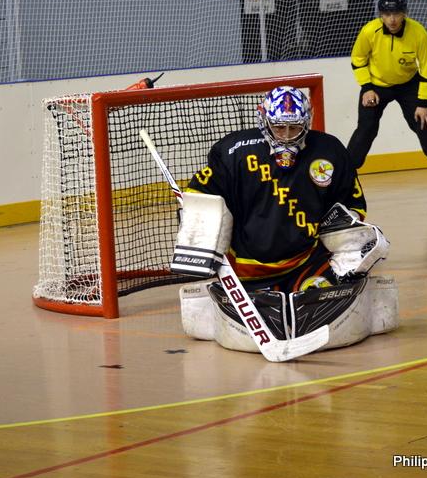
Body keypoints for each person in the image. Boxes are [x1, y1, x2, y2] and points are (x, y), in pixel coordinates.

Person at [170, 86, 398, 353]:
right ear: (263, 120)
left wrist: (347, 243)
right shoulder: (233, 152)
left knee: (370, 242)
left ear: (307, 121)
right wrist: (198, 227)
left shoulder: (330, 151)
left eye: (294, 128)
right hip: (246, 268)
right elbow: (199, 197)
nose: (287, 137)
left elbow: (352, 206)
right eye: (279, 128)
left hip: (306, 263)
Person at [349, 0, 427, 195]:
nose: (392, 19)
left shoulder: (418, 33)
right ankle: (345, 174)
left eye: (397, 13)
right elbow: (358, 59)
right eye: (387, 14)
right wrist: (366, 87)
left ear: (404, 13)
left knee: (424, 125)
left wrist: (423, 101)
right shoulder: (368, 32)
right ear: (380, 15)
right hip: (376, 85)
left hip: (409, 84)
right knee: (366, 129)